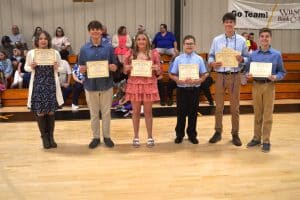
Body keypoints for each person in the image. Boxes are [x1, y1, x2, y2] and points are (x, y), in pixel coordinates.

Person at [207, 12, 248, 146]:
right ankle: (218, 132)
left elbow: (247, 58)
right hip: (220, 76)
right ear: (223, 24)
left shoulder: (242, 40)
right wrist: (212, 63)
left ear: (234, 24)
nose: (229, 24)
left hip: (235, 75)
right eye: (227, 22)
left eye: (231, 22)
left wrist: (242, 59)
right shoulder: (216, 40)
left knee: (235, 107)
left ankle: (235, 134)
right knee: (219, 106)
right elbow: (211, 56)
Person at [245, 28, 286, 153]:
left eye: (267, 36)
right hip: (256, 85)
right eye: (262, 36)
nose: (264, 38)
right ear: (259, 39)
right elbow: (247, 71)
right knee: (257, 113)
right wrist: (248, 75)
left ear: (270, 38)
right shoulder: (253, 54)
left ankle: (266, 140)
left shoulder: (276, 54)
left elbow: (282, 72)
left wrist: (276, 77)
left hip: (269, 86)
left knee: (267, 115)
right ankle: (257, 138)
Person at [78, 20, 118, 149]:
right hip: (90, 86)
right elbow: (81, 67)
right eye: (92, 29)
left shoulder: (109, 48)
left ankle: (107, 137)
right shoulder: (83, 49)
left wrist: (113, 67)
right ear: (89, 32)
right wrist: (82, 69)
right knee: (94, 114)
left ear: (101, 31)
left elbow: (116, 65)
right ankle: (95, 137)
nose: (95, 31)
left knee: (106, 113)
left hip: (106, 85)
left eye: (97, 29)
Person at [24, 30, 63, 149]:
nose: (43, 40)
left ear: (48, 41)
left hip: (51, 85)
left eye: (45, 38)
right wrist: (31, 67)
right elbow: (26, 67)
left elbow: (61, 67)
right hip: (38, 85)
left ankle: (51, 137)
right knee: (40, 112)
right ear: (37, 41)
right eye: (40, 38)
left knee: (51, 111)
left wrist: (57, 67)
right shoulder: (32, 53)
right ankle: (44, 137)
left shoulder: (55, 52)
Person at [123, 32, 161, 147]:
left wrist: (156, 68)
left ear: (147, 41)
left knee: (148, 112)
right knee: (135, 112)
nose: (141, 41)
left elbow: (159, 72)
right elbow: (125, 71)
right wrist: (127, 68)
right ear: (135, 41)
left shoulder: (154, 54)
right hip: (134, 84)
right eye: (139, 39)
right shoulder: (130, 53)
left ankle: (150, 137)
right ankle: (136, 137)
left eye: (143, 39)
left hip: (149, 84)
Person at [169, 35, 208, 144]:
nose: (189, 45)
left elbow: (205, 74)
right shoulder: (178, 59)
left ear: (194, 45)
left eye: (191, 43)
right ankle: (179, 134)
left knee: (193, 113)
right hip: (182, 90)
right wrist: (178, 80)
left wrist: (199, 80)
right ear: (183, 45)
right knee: (181, 113)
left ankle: (192, 134)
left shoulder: (199, 59)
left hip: (194, 90)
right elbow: (172, 74)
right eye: (187, 43)